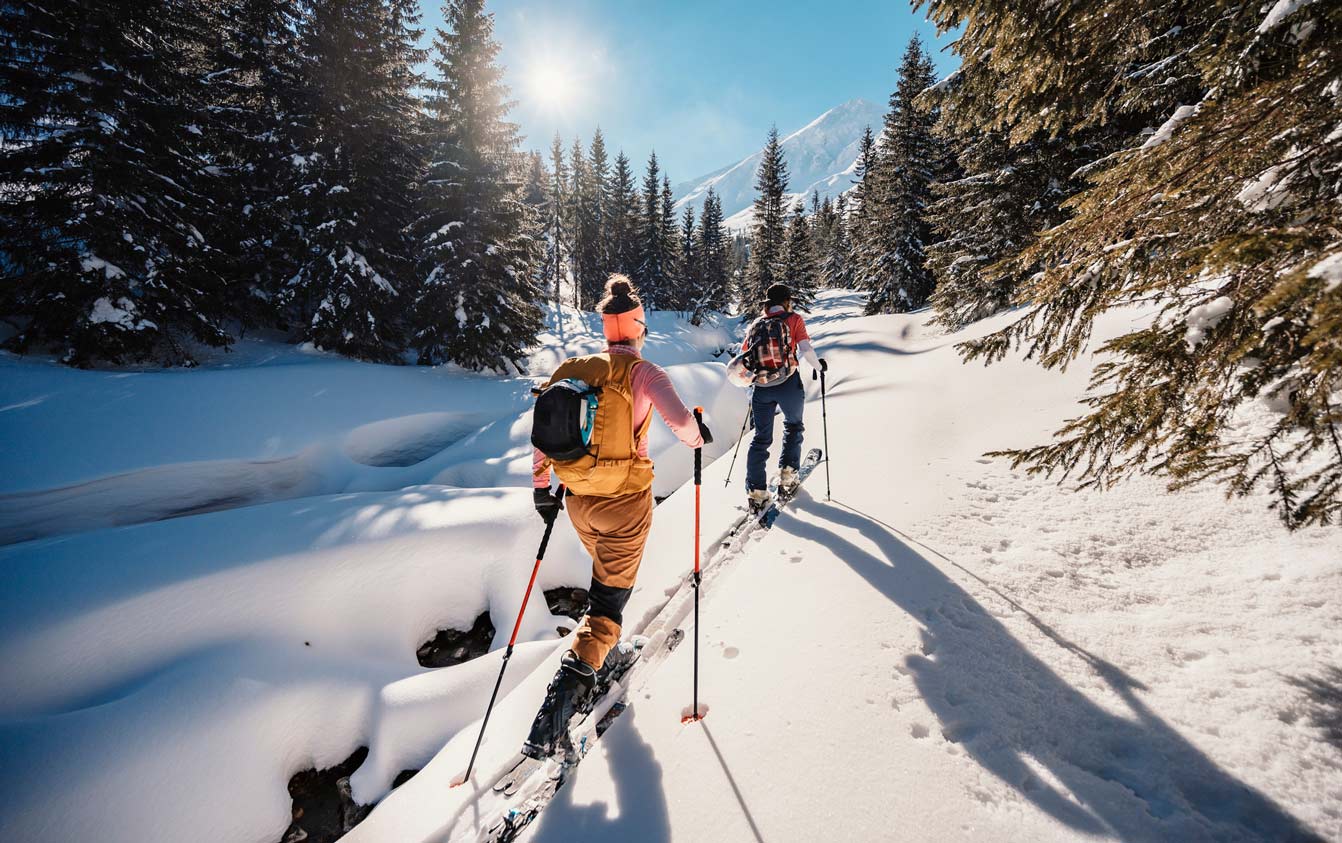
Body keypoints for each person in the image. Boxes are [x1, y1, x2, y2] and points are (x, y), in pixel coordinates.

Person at [524, 274, 712, 760]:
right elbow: (685, 427)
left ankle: (601, 650)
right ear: (638, 327)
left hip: (578, 504)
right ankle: (560, 705)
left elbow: (542, 434)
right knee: (608, 604)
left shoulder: (574, 368)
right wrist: (699, 433)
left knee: (606, 581)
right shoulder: (645, 373)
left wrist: (543, 489)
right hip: (625, 506)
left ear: (607, 329)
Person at [740, 283, 825, 513]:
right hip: (788, 383)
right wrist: (819, 366)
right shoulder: (794, 319)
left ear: (768, 303)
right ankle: (788, 475)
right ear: (787, 301)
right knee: (793, 426)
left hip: (762, 388)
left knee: (760, 439)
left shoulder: (757, 324)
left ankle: (756, 492)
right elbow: (806, 349)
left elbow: (744, 354)